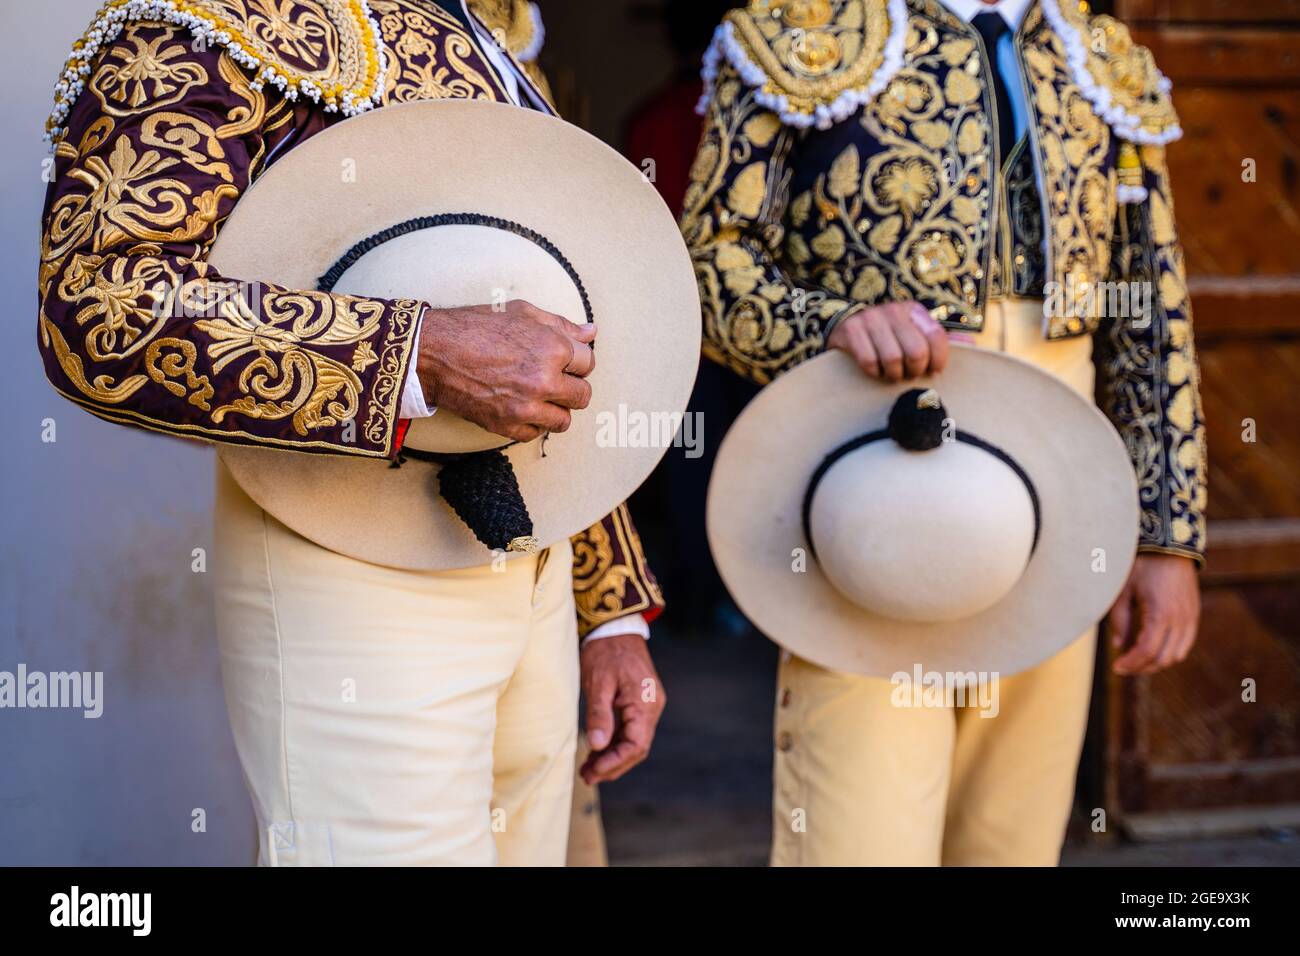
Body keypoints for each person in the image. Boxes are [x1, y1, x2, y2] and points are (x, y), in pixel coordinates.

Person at [38, 0, 666, 866]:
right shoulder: (213, 14)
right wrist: (423, 352)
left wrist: (609, 613)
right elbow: (102, 307)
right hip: (345, 557)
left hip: (539, 560)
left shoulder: (489, 30)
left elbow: (551, 345)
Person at [683, 0, 1206, 865]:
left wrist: (1165, 535)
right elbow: (708, 263)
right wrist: (832, 326)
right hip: (871, 477)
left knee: (1013, 837)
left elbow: (1149, 308)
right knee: (862, 832)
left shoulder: (1101, 52)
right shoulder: (796, 28)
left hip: (1058, 497)